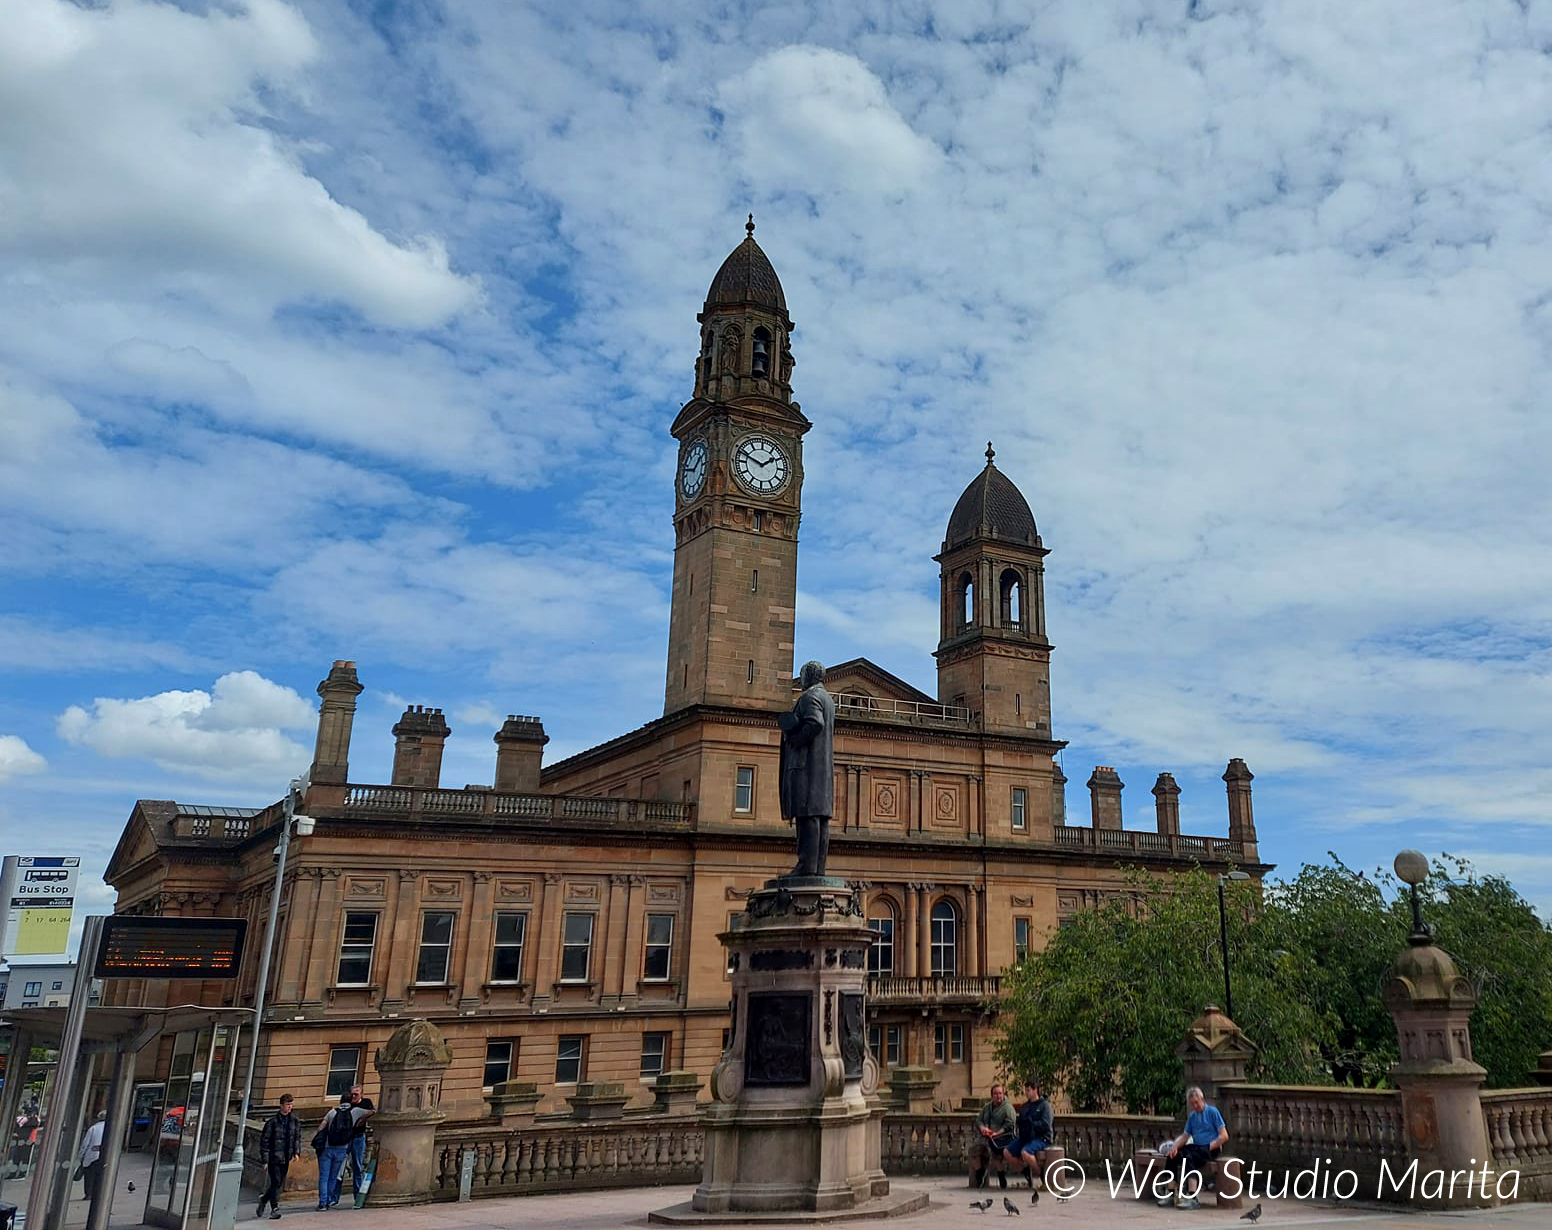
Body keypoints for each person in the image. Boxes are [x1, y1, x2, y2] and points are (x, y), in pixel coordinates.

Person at [778, 660, 836, 877]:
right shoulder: (827, 699)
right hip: (821, 769)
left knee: (807, 815)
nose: (800, 680)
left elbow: (815, 723)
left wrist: (794, 739)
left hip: (806, 767)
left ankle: (805, 866)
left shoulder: (810, 697)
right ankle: (816, 869)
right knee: (819, 817)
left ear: (809, 676)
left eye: (801, 676)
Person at [1154, 1086, 1229, 1209]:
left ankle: (1192, 1197)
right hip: (1197, 1146)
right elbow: (1185, 1136)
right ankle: (1171, 1192)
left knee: (1189, 1158)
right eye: (1192, 1104)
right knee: (1173, 1155)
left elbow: (1224, 1136)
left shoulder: (1212, 1112)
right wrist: (1174, 1147)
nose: (1195, 1106)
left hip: (1211, 1147)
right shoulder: (1193, 1116)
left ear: (1202, 1099)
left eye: (1196, 1102)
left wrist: (1210, 1146)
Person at [316, 1094, 371, 1210]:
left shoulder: (332, 1112)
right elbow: (371, 1112)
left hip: (327, 1147)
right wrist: (360, 1121)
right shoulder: (355, 1111)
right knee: (333, 1176)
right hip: (342, 1148)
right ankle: (329, 1199)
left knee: (324, 1177)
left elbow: (320, 1128)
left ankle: (323, 1203)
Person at [1003, 1078, 1054, 1188]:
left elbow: (1046, 1124)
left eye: (1029, 1090)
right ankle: (1024, 1170)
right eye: (1025, 1090)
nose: (1026, 1093)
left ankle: (1041, 1174)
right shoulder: (1025, 1106)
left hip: (1041, 1137)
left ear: (1035, 1090)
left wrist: (1033, 1124)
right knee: (1007, 1152)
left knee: (1025, 1152)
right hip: (1026, 1136)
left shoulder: (1044, 1105)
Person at [257, 1094, 301, 1219]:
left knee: (278, 1183)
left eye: (291, 1104)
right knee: (276, 1182)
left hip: (286, 1156)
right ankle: (274, 1208)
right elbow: (265, 1141)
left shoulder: (294, 1121)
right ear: (281, 1105)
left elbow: (296, 1138)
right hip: (273, 1157)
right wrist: (265, 1160)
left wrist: (296, 1152)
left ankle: (264, 1199)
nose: (290, 1107)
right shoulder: (272, 1122)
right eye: (288, 1104)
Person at [969, 1084, 1018, 1189]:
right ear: (992, 1095)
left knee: (995, 1155)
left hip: (1002, 1138)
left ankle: (1001, 1178)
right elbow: (979, 1120)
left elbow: (1010, 1125)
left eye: (1000, 1093)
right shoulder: (987, 1107)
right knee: (974, 1150)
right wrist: (982, 1128)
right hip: (986, 1136)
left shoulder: (1008, 1108)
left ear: (1003, 1094)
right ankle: (980, 1173)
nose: (998, 1096)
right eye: (995, 1094)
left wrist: (997, 1133)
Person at [344, 1085, 374, 1203]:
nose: (354, 1096)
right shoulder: (347, 1103)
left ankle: (359, 1195)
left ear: (361, 1094)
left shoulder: (366, 1103)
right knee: (340, 1167)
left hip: (358, 1137)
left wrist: (363, 1118)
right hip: (346, 1138)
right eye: (352, 1094)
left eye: (356, 1094)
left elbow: (373, 1111)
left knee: (358, 1165)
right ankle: (333, 1197)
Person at [78, 1110, 107, 1225]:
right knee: (100, 1175)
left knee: (89, 1176)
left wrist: (80, 1156)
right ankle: (98, 1192)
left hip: (92, 1155)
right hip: (103, 1155)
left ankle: (88, 1193)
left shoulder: (93, 1128)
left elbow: (85, 1143)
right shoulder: (110, 1128)